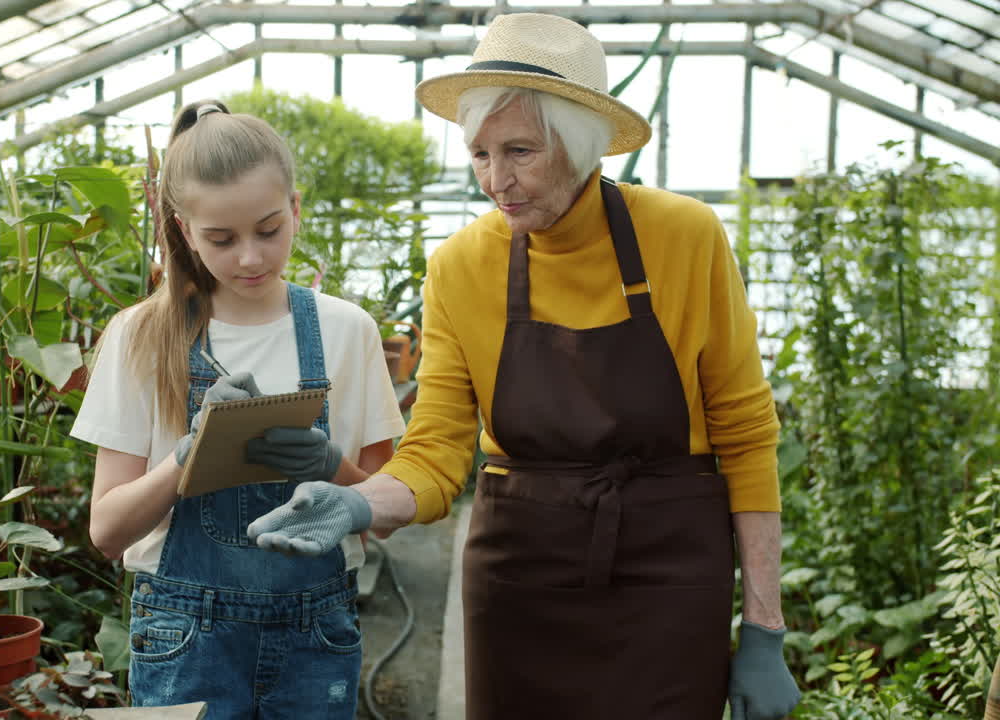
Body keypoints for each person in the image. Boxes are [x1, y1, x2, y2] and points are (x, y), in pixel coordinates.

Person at [246, 13, 802, 720]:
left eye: (520, 151)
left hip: (669, 573)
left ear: (579, 145)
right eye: (479, 154)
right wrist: (358, 501)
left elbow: (748, 438)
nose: (495, 181)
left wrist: (763, 628)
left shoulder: (684, 238)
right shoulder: (461, 266)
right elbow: (438, 451)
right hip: (521, 578)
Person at [70, 99, 406, 718]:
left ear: (296, 209)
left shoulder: (347, 332)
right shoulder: (141, 336)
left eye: (269, 229)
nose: (250, 258)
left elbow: (384, 517)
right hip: (185, 642)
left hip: (316, 640)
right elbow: (107, 532)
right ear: (181, 228)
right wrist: (186, 458)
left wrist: (329, 465)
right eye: (221, 239)